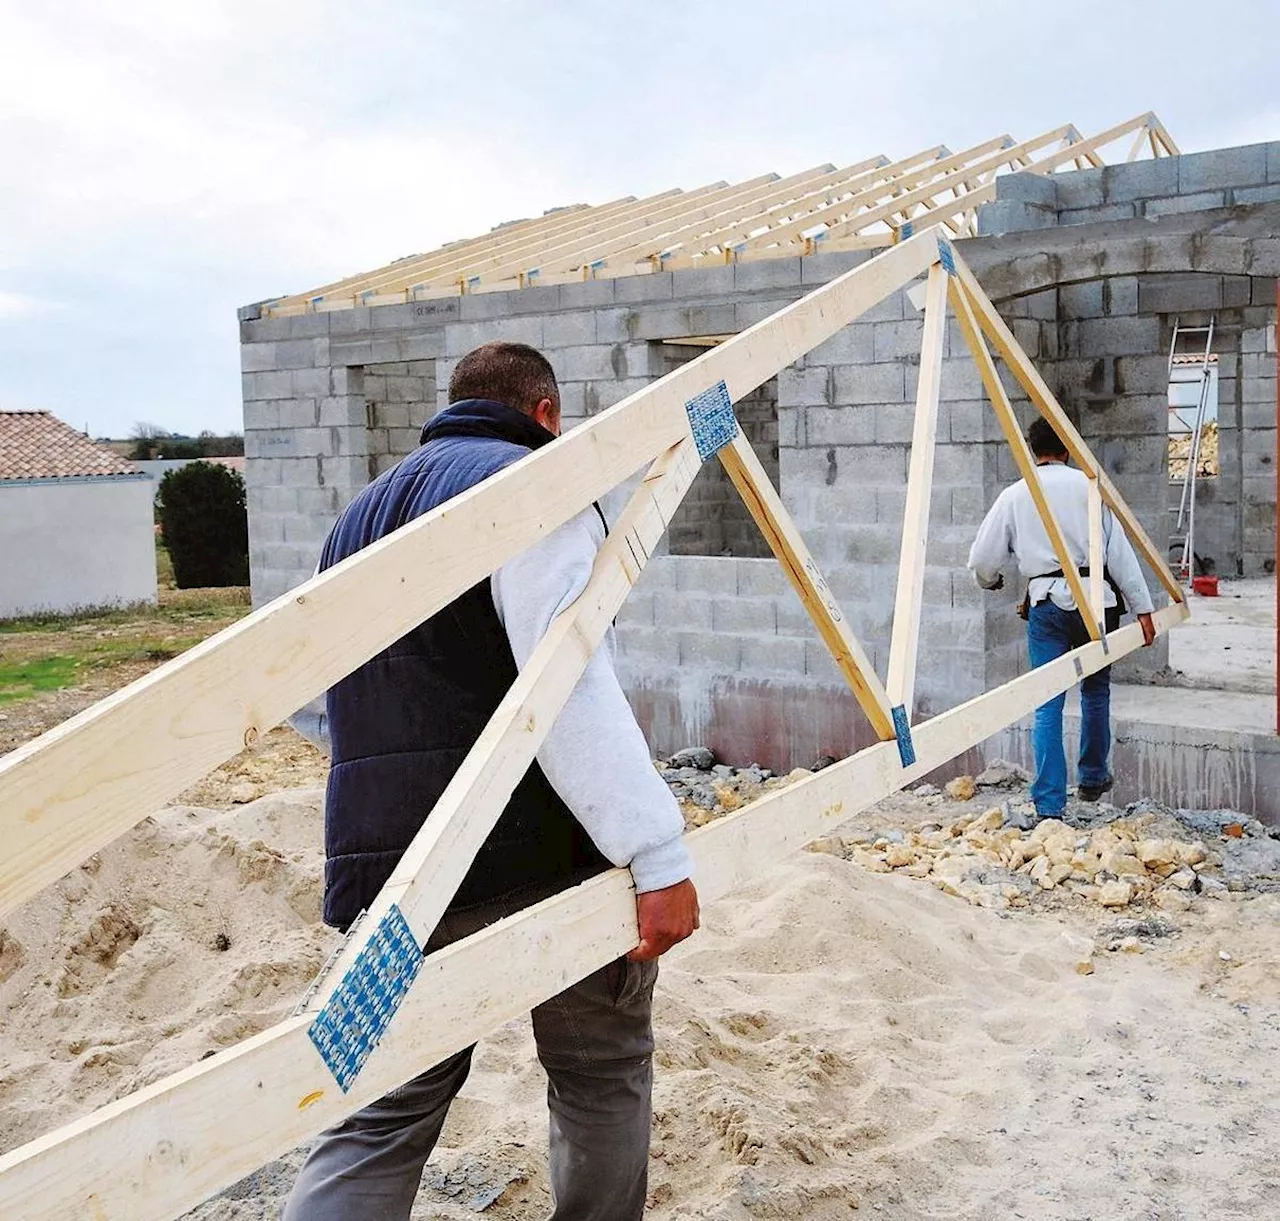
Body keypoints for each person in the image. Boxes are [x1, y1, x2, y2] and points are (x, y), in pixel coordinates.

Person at [283, 341, 700, 1221]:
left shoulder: (355, 518)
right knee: (599, 1068)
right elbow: (570, 683)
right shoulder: (532, 488)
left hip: (392, 867)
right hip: (539, 851)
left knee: (384, 1107)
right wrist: (655, 853)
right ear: (547, 415)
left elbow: (344, 696)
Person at [967, 417, 1156, 817]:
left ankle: (1050, 804)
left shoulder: (1017, 495)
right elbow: (1118, 552)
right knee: (1095, 692)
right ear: (1067, 449)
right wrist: (1144, 609)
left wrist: (991, 581)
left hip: (1047, 605)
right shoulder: (1089, 488)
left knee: (1048, 703)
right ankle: (1092, 779)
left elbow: (983, 559)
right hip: (1097, 605)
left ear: (1033, 451)